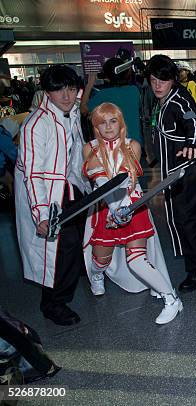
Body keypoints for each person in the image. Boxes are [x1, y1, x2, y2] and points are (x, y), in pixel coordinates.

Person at [82, 103, 182, 324]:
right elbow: (101, 181)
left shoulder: (132, 145)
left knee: (137, 259)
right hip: (104, 209)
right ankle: (97, 277)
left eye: (113, 121)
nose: (108, 127)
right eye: (102, 122)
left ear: (121, 122)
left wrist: (125, 207)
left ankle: (171, 299)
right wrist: (115, 209)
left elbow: (129, 180)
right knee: (100, 260)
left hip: (133, 206)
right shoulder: (90, 148)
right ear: (96, 126)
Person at [14, 65, 90, 326]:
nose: (66, 96)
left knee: (74, 242)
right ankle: (53, 304)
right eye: (59, 90)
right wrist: (41, 214)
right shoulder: (36, 125)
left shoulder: (69, 114)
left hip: (69, 187)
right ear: (47, 92)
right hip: (48, 196)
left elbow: (75, 152)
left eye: (70, 89)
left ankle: (67, 286)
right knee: (60, 250)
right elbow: (33, 175)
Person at [146, 54, 196, 293]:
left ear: (173, 79)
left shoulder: (179, 99)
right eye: (153, 80)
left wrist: (192, 144)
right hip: (172, 171)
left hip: (184, 172)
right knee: (181, 219)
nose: (158, 85)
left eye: (163, 79)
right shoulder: (162, 100)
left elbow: (193, 122)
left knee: (187, 220)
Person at [81, 57, 144, 146]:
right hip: (135, 145)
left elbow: (83, 109)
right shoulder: (134, 91)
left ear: (107, 77)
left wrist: (89, 84)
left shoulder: (102, 95)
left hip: (113, 146)